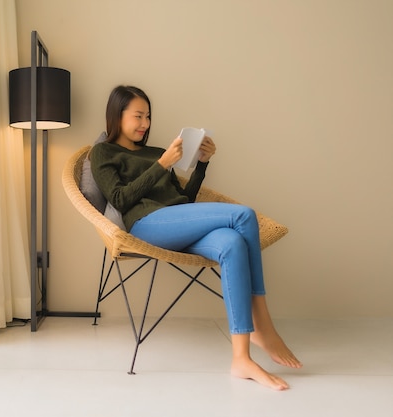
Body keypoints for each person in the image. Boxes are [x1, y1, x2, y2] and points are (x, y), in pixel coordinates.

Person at [90, 85, 302, 390]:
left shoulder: (154, 152)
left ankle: (241, 358)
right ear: (117, 115)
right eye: (138, 116)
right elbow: (120, 199)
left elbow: (184, 203)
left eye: (148, 116)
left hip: (177, 223)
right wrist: (162, 164)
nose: (145, 123)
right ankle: (263, 325)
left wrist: (202, 163)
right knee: (244, 215)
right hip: (147, 226)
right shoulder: (104, 152)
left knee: (232, 242)